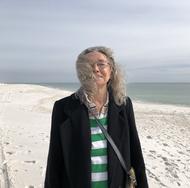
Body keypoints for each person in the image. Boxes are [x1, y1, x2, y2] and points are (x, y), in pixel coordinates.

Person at [44, 46, 148, 188]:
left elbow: (136, 154)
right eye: (88, 65)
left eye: (101, 64)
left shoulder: (123, 104)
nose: (95, 69)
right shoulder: (63, 108)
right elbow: (54, 161)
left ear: (111, 70)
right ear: (81, 73)